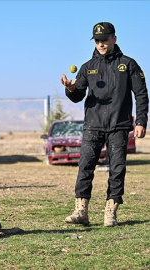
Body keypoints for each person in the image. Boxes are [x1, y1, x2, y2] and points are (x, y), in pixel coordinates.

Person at [60, 22, 149, 227]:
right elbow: (77, 96)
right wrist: (71, 89)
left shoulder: (128, 64)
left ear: (114, 39)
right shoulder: (87, 67)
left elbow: (141, 94)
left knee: (117, 169)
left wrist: (141, 121)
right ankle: (81, 211)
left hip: (119, 125)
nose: (101, 44)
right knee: (85, 167)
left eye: (104, 40)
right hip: (93, 125)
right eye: (97, 41)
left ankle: (111, 212)